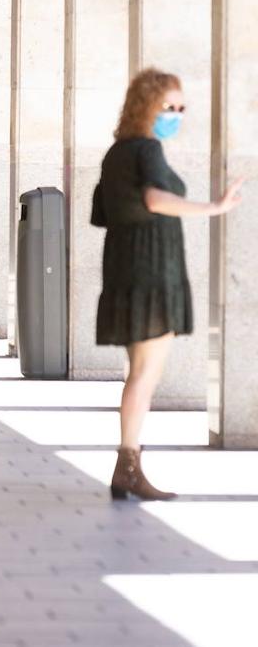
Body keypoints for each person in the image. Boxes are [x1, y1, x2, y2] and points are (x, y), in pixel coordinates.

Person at [91, 68, 243, 501]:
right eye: (168, 107)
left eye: (180, 108)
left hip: (124, 266)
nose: (176, 114)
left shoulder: (117, 152)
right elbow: (156, 200)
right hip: (152, 270)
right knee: (144, 374)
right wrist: (214, 207)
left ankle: (128, 466)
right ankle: (129, 466)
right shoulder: (148, 149)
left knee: (138, 372)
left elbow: (104, 211)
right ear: (147, 106)